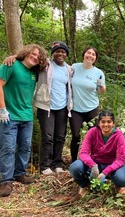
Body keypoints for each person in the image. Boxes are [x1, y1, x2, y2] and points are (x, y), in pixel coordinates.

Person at [0, 44, 48, 197]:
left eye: (38, 57)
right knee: (8, 148)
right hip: (9, 116)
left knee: (25, 146)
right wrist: (2, 109)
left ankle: (20, 173)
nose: (35, 58)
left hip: (26, 116)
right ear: (26, 53)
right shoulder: (11, 64)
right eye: (33, 54)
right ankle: (6, 181)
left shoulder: (35, 72)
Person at [69, 110, 125, 197]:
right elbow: (83, 153)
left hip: (112, 164)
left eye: (109, 122)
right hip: (95, 162)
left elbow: (121, 159)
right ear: (98, 123)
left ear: (113, 123)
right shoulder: (92, 132)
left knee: (124, 179)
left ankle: (118, 186)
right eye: (103, 122)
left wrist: (105, 172)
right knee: (75, 167)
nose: (106, 124)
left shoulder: (119, 135)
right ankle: (84, 185)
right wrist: (93, 165)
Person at [34, 41, 73, 175]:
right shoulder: (46, 65)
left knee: (60, 136)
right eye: (57, 51)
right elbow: (29, 60)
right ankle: (45, 165)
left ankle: (57, 163)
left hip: (62, 107)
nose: (60, 53)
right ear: (53, 54)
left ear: (66, 54)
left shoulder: (69, 69)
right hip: (46, 106)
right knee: (48, 136)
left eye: (63, 52)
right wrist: (13, 57)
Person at [69, 46, 106, 162]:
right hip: (75, 108)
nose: (90, 56)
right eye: (88, 53)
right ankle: (74, 161)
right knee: (76, 136)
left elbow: (101, 91)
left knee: (93, 136)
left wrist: (101, 86)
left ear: (95, 58)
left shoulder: (98, 73)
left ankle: (93, 160)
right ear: (84, 54)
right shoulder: (74, 67)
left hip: (91, 108)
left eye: (93, 54)